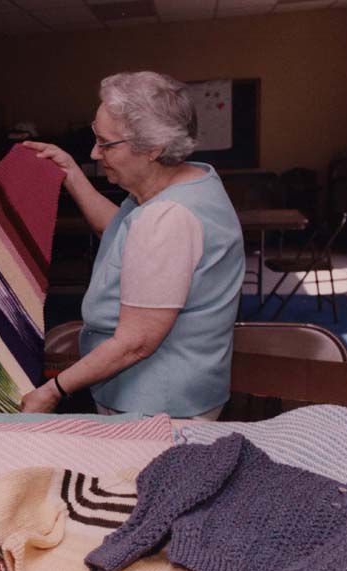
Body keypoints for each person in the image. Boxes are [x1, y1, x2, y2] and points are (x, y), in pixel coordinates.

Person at [21, 71, 245, 419]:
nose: (94, 152)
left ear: (153, 148)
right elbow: (125, 234)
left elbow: (135, 343)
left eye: (106, 144)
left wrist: (53, 391)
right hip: (163, 392)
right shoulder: (187, 182)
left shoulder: (167, 218)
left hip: (158, 406)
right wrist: (71, 173)